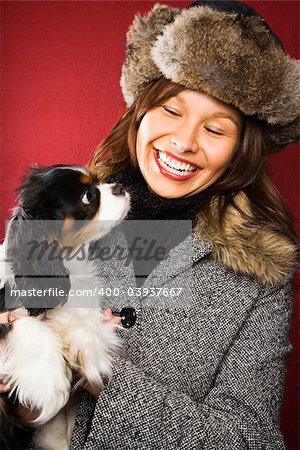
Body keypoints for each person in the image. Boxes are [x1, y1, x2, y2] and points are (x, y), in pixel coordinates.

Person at [1, 0, 299, 449]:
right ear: (139, 112)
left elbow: (255, 440)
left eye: (216, 130)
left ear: (242, 150)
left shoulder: (262, 277)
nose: (184, 142)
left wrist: (103, 378)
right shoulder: (55, 214)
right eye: (172, 111)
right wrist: (16, 405)